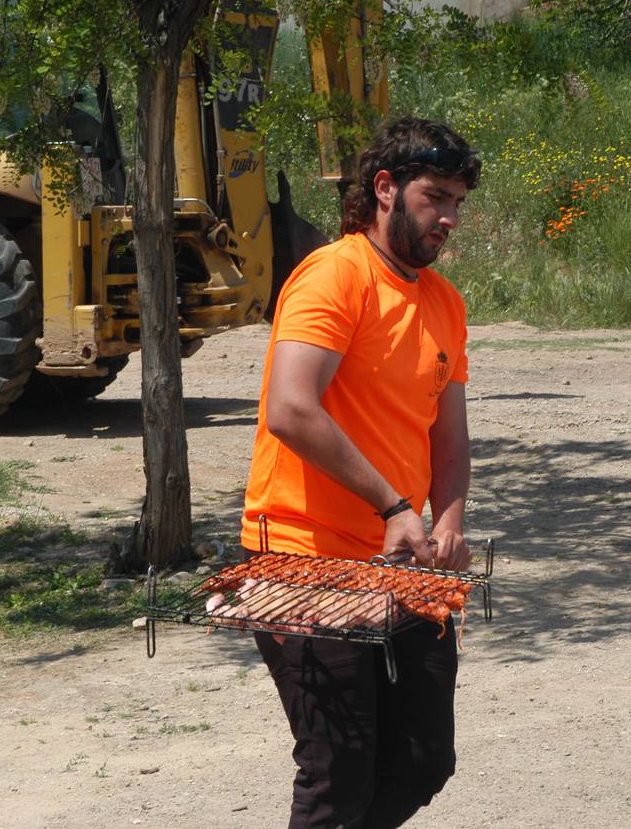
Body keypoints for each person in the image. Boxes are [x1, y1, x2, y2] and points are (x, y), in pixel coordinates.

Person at [239, 116, 481, 828]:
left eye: (457, 203)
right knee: (336, 772)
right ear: (384, 188)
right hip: (302, 559)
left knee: (420, 759)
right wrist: (393, 506)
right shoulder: (333, 275)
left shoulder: (443, 302)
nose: (448, 218)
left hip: (405, 562)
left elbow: (448, 430)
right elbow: (291, 408)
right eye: (435, 197)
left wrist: (448, 519)